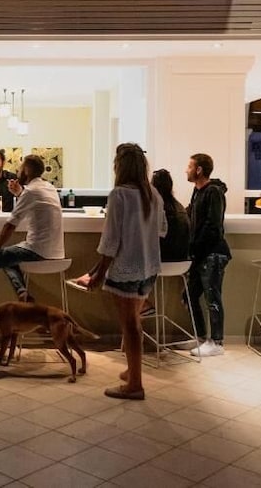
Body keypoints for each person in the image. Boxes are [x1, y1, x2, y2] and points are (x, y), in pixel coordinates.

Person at [72, 143, 165, 400]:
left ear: (120, 166)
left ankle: (135, 385)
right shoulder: (153, 195)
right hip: (149, 268)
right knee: (135, 323)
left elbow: (111, 242)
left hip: (125, 270)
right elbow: (162, 230)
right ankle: (133, 371)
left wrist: (98, 274)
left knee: (130, 326)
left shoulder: (119, 195)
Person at [0, 154, 64, 308]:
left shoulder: (31, 191)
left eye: (21, 168)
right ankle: (22, 293)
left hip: (37, 251)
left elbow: (10, 225)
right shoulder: (49, 187)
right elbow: (34, 204)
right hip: (57, 252)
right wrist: (19, 194)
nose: (18, 171)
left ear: (27, 170)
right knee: (8, 255)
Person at [185, 152, 231, 358]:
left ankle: (217, 342)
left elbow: (213, 226)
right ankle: (201, 337)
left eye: (189, 167)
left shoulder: (213, 192)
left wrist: (195, 246)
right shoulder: (198, 192)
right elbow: (189, 215)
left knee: (213, 298)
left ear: (199, 170)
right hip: (200, 254)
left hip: (212, 253)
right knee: (189, 295)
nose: (186, 170)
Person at [141, 168, 192, 317]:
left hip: (162, 261)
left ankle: (142, 304)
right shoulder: (179, 206)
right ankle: (140, 307)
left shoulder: (156, 208)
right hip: (183, 261)